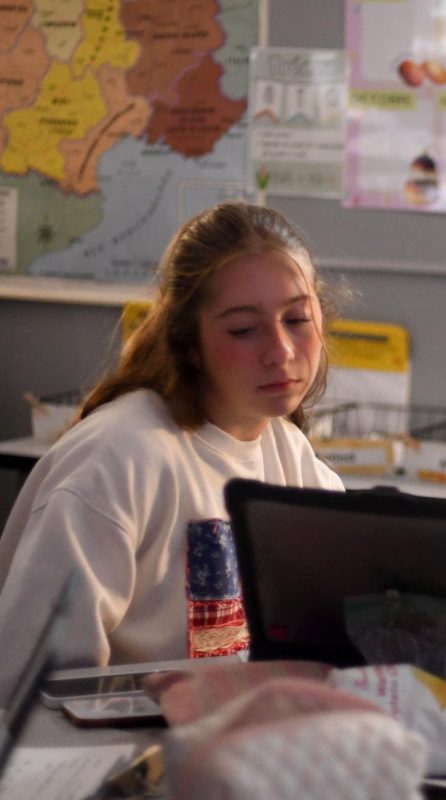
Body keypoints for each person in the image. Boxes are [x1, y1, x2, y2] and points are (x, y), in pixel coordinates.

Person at [0, 202, 344, 697]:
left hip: (235, 751)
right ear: (190, 344)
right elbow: (32, 691)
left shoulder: (292, 459)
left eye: (297, 319)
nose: (282, 350)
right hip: (119, 762)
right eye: (244, 329)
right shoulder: (119, 459)